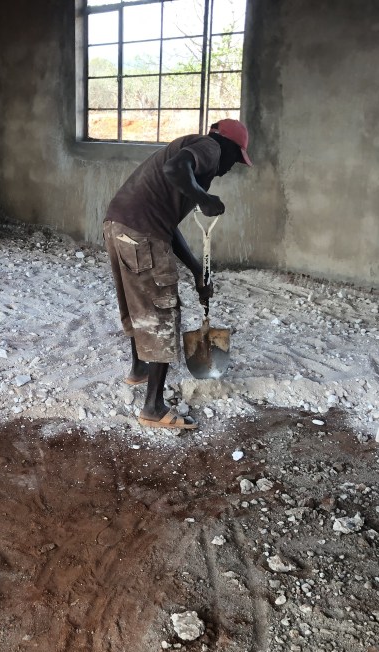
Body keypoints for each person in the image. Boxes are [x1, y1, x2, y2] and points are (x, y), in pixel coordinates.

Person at [103, 118, 252, 430]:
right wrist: (204, 198)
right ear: (226, 146)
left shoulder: (191, 156)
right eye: (235, 159)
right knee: (162, 312)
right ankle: (153, 408)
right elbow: (175, 169)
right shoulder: (210, 147)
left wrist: (197, 270)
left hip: (118, 226)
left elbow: (168, 227)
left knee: (137, 304)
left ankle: (140, 369)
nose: (230, 168)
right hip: (142, 232)